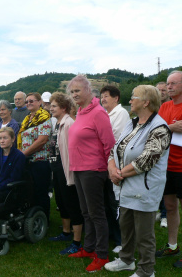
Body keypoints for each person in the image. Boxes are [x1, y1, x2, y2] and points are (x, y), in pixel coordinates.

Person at [105, 85, 171, 277]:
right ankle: (126, 260)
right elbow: (115, 149)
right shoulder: (132, 123)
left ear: (146, 102)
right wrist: (111, 168)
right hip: (125, 185)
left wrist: (118, 174)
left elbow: (146, 160)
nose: (131, 100)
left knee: (144, 234)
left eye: (134, 97)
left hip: (144, 188)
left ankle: (146, 270)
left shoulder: (160, 128)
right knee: (126, 227)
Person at [67, 75, 115, 272]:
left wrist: (107, 168)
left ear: (88, 90)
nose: (74, 94)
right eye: (72, 92)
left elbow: (109, 143)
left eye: (77, 90)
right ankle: (88, 248)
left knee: (97, 213)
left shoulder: (98, 112)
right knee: (86, 212)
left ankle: (102, 254)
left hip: (93, 169)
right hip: (78, 168)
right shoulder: (81, 112)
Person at [156, 70, 182, 269]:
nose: (169, 87)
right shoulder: (165, 107)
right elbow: (156, 130)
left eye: (173, 83)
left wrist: (169, 127)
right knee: (169, 206)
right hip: (166, 165)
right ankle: (173, 245)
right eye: (168, 84)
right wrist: (171, 127)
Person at [47, 93, 83, 256]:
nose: (51, 108)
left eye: (54, 106)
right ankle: (66, 232)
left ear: (63, 107)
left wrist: (70, 171)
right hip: (57, 168)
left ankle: (77, 242)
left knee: (71, 203)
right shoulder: (59, 123)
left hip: (66, 169)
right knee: (61, 201)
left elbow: (73, 150)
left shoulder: (69, 124)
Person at [100, 85, 130, 253]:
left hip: (117, 164)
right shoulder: (106, 113)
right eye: (102, 96)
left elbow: (112, 137)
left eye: (106, 96)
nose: (103, 99)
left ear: (116, 98)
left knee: (115, 203)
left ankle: (121, 240)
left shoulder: (121, 113)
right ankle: (113, 235)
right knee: (107, 202)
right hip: (105, 163)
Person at [18, 92, 52, 220]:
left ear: (39, 102)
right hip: (27, 161)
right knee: (29, 191)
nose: (28, 103)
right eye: (27, 101)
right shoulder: (28, 119)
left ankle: (43, 219)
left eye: (31, 101)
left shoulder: (44, 117)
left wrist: (23, 154)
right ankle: (32, 217)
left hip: (40, 162)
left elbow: (42, 140)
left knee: (40, 192)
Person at [156, 81, 170, 228]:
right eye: (158, 90)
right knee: (157, 182)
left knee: (166, 185)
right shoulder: (153, 108)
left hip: (171, 150)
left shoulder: (170, 107)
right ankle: (159, 211)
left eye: (163, 90)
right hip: (157, 151)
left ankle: (165, 215)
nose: (161, 92)